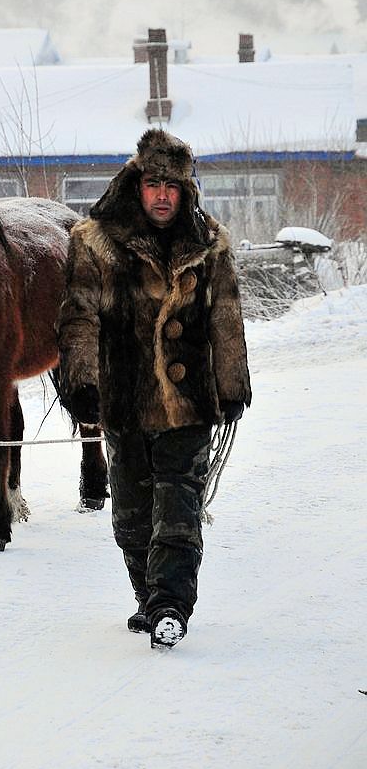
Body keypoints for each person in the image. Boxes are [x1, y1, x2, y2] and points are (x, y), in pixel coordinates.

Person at [56, 129, 251, 649]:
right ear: (135, 185)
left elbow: (226, 318)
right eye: (153, 183)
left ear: (186, 190)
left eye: (173, 185)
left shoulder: (208, 244)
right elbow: (79, 318)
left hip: (189, 405)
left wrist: (231, 384)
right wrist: (82, 384)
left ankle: (171, 606)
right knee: (131, 518)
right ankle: (148, 597)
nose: (163, 194)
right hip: (124, 399)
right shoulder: (95, 242)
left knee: (179, 506)